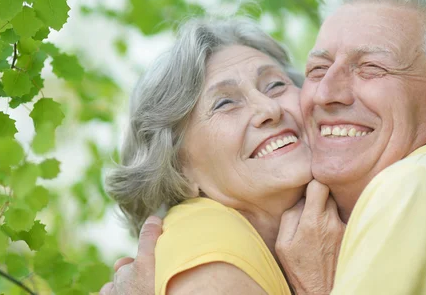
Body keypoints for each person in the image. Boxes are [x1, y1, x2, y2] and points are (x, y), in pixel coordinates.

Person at [101, 0, 426, 294]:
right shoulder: (204, 244)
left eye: (371, 67)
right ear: (179, 163)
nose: (327, 92)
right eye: (317, 69)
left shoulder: (413, 189)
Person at [102, 18, 344, 295]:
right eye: (225, 103)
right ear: (178, 168)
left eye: (275, 85)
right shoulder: (204, 246)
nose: (269, 109)